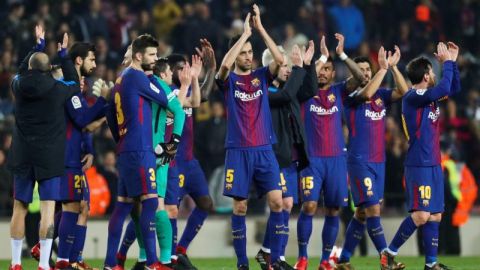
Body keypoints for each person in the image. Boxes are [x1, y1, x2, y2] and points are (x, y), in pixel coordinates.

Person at [215, 5, 285, 269]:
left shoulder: (260, 77)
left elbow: (280, 61)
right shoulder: (228, 80)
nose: (248, 57)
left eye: (250, 52)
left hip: (264, 149)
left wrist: (260, 29)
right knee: (240, 207)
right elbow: (222, 66)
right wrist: (243, 35)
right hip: (238, 150)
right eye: (243, 53)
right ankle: (242, 262)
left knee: (278, 202)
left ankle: (273, 259)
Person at [8, 25, 81, 270]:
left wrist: (36, 46)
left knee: (20, 208)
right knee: (48, 209)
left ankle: (16, 263)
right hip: (49, 155)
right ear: (48, 69)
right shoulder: (56, 88)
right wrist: (64, 55)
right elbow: (75, 83)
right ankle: (43, 264)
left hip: (22, 153)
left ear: (30, 67)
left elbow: (20, 70)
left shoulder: (17, 84)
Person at [383, 42, 460, 270]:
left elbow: (452, 88)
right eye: (432, 71)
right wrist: (446, 63)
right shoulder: (413, 96)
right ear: (426, 76)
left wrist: (452, 64)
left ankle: (431, 264)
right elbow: (445, 88)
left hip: (433, 163)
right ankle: (388, 253)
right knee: (421, 215)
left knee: (435, 216)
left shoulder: (429, 96)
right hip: (419, 164)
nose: (435, 74)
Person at [294, 33, 366, 270]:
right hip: (312, 160)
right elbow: (303, 75)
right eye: (320, 69)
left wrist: (342, 54)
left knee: (334, 209)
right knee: (309, 206)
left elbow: (360, 77)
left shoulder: (339, 92)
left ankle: (325, 260)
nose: (323, 72)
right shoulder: (305, 92)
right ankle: (303, 257)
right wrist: (321, 56)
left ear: (334, 74)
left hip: (337, 159)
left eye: (327, 69)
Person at [103, 34, 174, 270]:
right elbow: (164, 98)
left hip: (125, 150)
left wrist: (120, 139)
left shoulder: (120, 80)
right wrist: (152, 75)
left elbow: (110, 113)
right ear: (138, 56)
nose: (155, 59)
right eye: (152, 55)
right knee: (151, 204)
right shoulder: (137, 77)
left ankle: (111, 263)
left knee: (123, 206)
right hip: (140, 151)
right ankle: (153, 263)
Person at [335, 46, 409, 270]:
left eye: (369, 69)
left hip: (379, 162)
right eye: (362, 70)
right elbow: (366, 92)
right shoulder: (350, 95)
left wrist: (393, 68)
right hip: (359, 161)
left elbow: (404, 91)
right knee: (373, 210)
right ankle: (385, 259)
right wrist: (381, 70)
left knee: (361, 213)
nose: (366, 73)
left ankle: (344, 259)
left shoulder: (381, 95)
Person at [116, 56, 189, 270]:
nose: (169, 78)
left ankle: (161, 259)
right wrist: (173, 142)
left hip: (152, 155)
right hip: (147, 153)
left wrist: (172, 143)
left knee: (150, 207)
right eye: (168, 73)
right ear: (162, 73)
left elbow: (181, 109)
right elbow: (180, 109)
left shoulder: (149, 86)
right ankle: (149, 258)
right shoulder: (153, 86)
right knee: (144, 208)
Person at [254, 42, 316, 270]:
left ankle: (268, 253)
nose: (289, 69)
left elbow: (309, 91)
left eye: (291, 66)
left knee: (287, 204)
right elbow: (288, 94)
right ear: (272, 65)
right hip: (272, 157)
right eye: (285, 66)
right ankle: (275, 259)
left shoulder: (285, 90)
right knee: (282, 203)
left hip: (289, 157)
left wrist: (307, 66)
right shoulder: (264, 91)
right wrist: (300, 69)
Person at [164, 39, 217, 270]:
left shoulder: (186, 90)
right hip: (172, 161)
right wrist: (191, 79)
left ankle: (180, 250)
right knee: (171, 211)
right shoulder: (166, 92)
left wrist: (211, 69)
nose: (186, 71)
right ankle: (168, 258)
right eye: (181, 68)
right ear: (171, 71)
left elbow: (202, 96)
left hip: (189, 160)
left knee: (206, 203)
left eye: (188, 67)